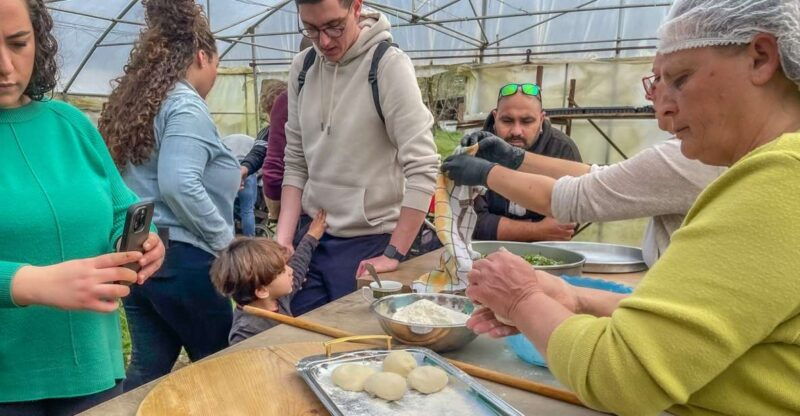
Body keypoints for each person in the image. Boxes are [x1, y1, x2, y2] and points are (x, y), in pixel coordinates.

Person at [462, 0, 800, 414]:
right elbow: (711, 336)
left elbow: (621, 375)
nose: (664, 110)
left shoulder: (780, 180)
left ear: (761, 58)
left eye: (680, 79)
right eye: (657, 85)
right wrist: (577, 298)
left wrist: (521, 298)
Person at [0, 0, 165, 414]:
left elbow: (116, 209)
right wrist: (28, 283)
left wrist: (142, 243)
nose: (5, 66)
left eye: (18, 43)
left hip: (91, 369)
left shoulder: (69, 124)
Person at [447, 55, 725, 267]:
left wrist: (488, 173)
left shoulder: (689, 159)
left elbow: (578, 197)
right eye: (653, 80)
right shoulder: (697, 153)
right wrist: (516, 159)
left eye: (662, 79)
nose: (650, 94)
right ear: (495, 118)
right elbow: (600, 175)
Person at [99, 0, 239, 391]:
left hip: (141, 254)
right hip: (185, 259)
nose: (216, 73)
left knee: (149, 368)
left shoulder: (140, 104)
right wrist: (229, 245)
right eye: (217, 63)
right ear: (201, 55)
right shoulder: (184, 104)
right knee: (222, 369)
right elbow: (179, 184)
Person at [276, 0, 439, 316]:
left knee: (358, 347)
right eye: (311, 29)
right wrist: (283, 239)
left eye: (334, 26)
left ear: (356, 7)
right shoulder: (303, 68)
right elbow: (295, 160)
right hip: (312, 236)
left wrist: (394, 252)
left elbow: (423, 166)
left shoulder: (387, 66)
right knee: (295, 336)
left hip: (370, 243)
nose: (324, 41)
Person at [472, 83, 581, 242]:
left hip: (546, 256)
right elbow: (470, 222)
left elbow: (566, 225)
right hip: (484, 254)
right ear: (495, 118)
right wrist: (538, 230)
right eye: (507, 120)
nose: (516, 131)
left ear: (542, 119)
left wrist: (498, 226)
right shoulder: (474, 148)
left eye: (527, 121)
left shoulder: (563, 151)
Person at [212, 210, 327, 345]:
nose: (290, 270)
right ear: (261, 290)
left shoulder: (276, 297)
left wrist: (311, 236)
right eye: (282, 270)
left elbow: (298, 267)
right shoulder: (245, 333)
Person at [223, 134, 258, 236]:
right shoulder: (255, 142)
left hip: (229, 167)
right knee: (247, 210)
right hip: (247, 169)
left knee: (228, 209)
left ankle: (229, 240)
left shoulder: (224, 140)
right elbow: (260, 164)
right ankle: (250, 240)